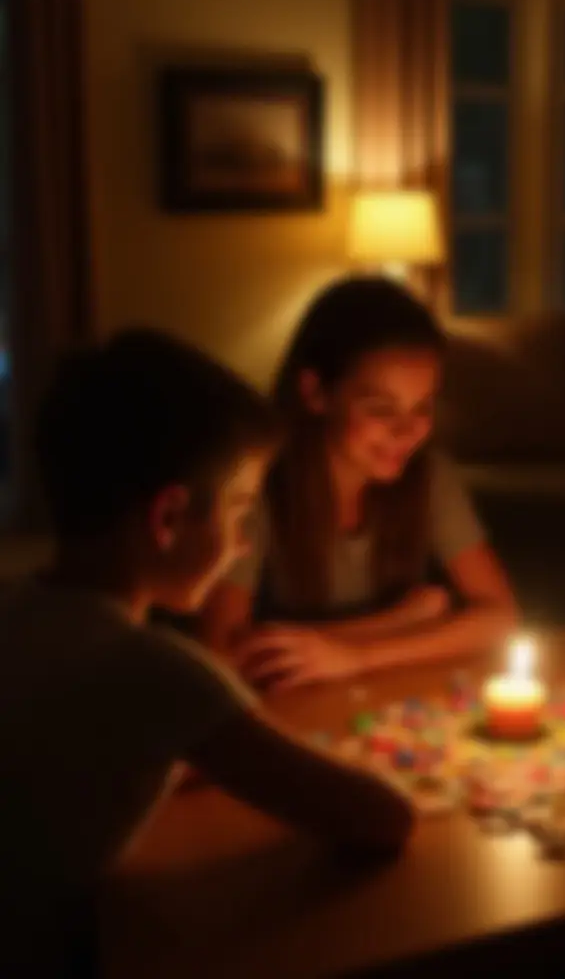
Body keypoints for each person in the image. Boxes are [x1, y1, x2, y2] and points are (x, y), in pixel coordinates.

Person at [0, 330, 415, 976]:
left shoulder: (19, 604)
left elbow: (96, 747)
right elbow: (382, 819)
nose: (244, 544)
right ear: (168, 518)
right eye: (241, 508)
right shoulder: (151, 667)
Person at [200, 277, 518, 690]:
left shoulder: (429, 475)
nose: (407, 432)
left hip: (384, 695)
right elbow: (219, 653)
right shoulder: (259, 487)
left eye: (422, 407)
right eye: (381, 410)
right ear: (316, 392)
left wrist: (357, 656)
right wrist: (399, 621)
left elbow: (500, 617)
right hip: (286, 705)